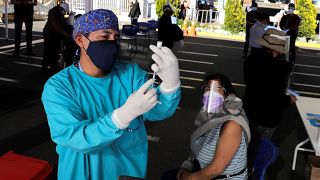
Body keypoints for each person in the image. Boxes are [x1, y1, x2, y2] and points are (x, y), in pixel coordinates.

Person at [41, 9, 181, 179]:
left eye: (115, 38)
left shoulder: (130, 75)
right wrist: (121, 117)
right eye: (104, 36)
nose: (111, 43)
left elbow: (158, 110)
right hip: (81, 173)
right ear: (80, 40)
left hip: (126, 172)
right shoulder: (60, 86)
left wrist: (170, 85)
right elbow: (74, 137)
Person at [162, 73, 251, 180]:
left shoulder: (232, 125)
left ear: (227, 93)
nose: (210, 93)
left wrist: (189, 177)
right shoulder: (207, 114)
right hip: (203, 170)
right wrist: (187, 165)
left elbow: (216, 169)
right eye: (207, 88)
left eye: (217, 89)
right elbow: (198, 143)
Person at [243, 28, 297, 175]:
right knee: (260, 147)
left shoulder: (251, 60)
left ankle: (242, 169)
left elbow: (255, 85)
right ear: (277, 50)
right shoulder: (278, 68)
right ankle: (252, 172)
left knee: (245, 143)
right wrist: (289, 99)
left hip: (249, 108)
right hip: (266, 116)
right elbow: (276, 97)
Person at [42, 2, 71, 72]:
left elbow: (66, 18)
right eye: (64, 11)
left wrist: (70, 16)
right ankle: (44, 67)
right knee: (48, 50)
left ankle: (53, 66)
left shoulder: (62, 10)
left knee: (56, 50)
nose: (65, 13)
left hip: (57, 35)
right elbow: (56, 25)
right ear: (61, 9)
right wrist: (65, 33)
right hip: (49, 33)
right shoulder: (53, 12)